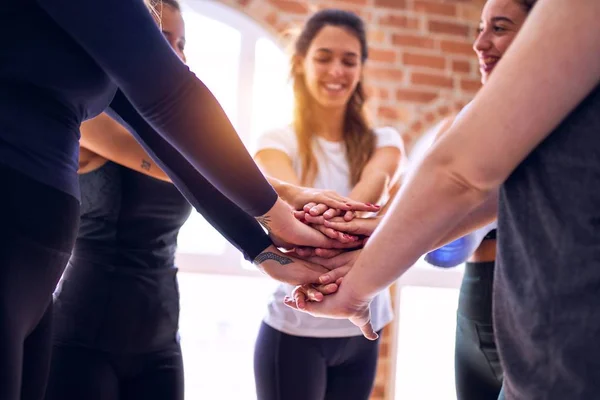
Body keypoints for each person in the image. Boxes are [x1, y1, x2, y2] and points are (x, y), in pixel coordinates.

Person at [0, 0, 374, 398]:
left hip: (32, 271)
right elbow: (171, 97)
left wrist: (266, 250)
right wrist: (276, 213)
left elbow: (166, 137)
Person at [287, 0, 600, 398]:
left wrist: (357, 289)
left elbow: (458, 176)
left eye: (500, 28)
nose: (481, 44)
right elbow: (488, 194)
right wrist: (374, 233)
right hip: (537, 336)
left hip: (572, 345)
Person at [252, 9, 403, 400]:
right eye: (324, 57)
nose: (336, 70)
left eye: (349, 60)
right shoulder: (275, 140)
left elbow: (374, 188)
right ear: (301, 62)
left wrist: (327, 221)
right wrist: (365, 232)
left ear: (360, 69)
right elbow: (286, 212)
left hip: (364, 331)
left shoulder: (385, 140)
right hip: (293, 331)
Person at [45, 2, 189, 398]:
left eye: (181, 43)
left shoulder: (182, 139)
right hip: (82, 342)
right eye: (162, 40)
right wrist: (282, 195)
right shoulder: (88, 116)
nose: (174, 53)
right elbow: (185, 168)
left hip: (161, 341)